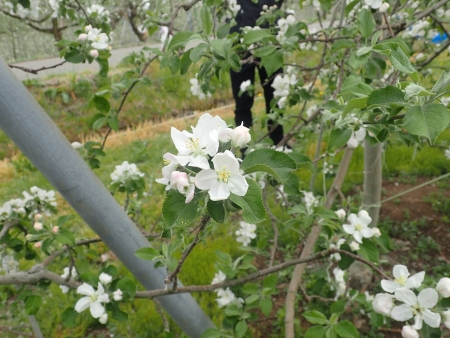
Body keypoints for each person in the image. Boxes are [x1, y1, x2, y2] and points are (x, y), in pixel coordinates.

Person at [230, 0, 285, 150]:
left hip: (269, 38)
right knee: (242, 102)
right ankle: (244, 149)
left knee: (275, 95)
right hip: (239, 41)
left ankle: (279, 143)